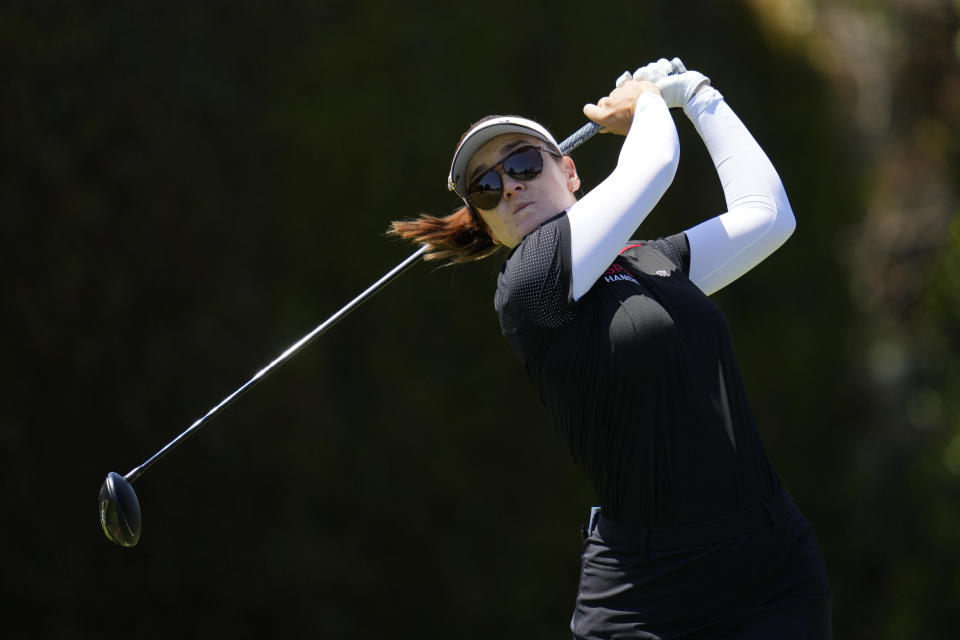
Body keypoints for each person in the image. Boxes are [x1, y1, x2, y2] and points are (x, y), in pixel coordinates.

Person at [389, 58, 832, 639]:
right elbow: (654, 163)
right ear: (488, 224)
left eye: (523, 162)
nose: (512, 185)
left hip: (771, 566)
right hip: (648, 594)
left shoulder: (651, 260)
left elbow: (768, 217)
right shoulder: (528, 283)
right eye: (487, 187)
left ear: (569, 172)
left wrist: (697, 94)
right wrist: (648, 99)